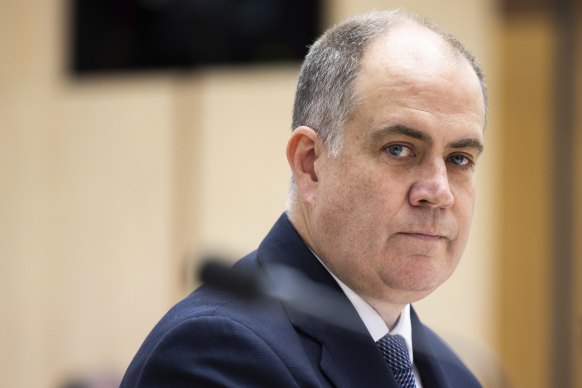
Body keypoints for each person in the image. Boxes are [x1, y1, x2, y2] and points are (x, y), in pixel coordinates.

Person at [121, 9, 487, 388]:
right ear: (310, 164)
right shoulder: (217, 352)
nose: (438, 191)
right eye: (399, 149)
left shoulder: (456, 375)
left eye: (459, 159)